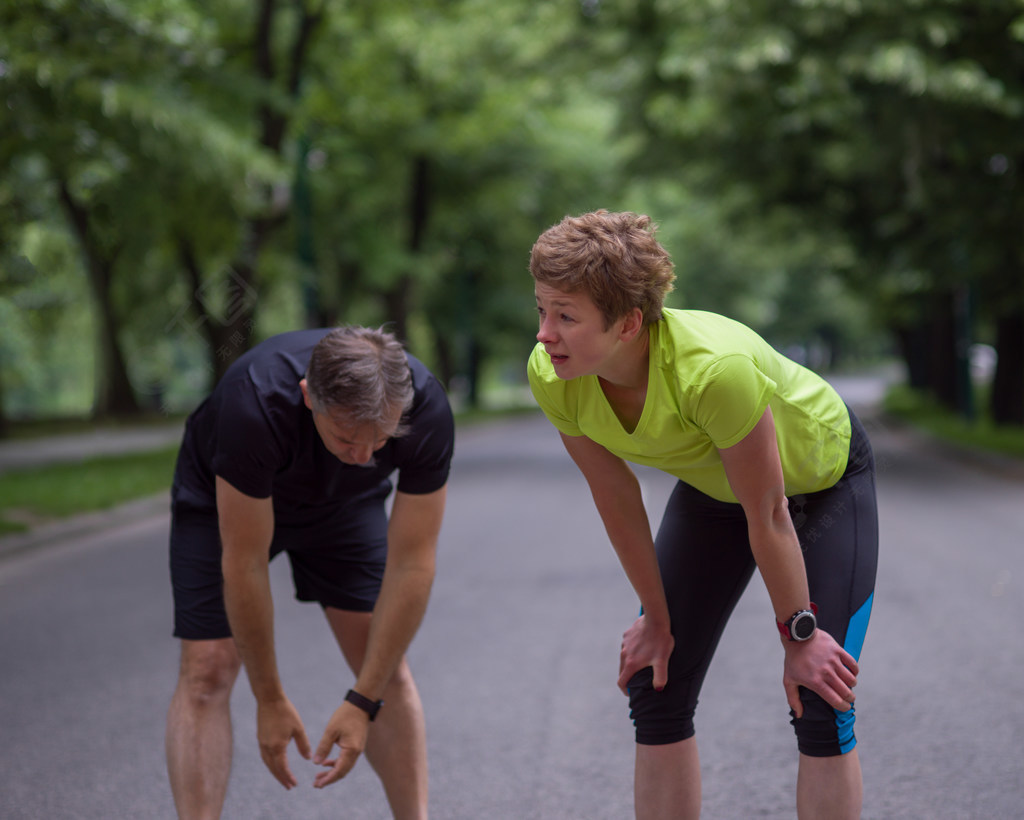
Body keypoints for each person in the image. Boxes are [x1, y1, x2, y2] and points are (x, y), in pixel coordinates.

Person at [527, 211, 878, 819]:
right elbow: (616, 497)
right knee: (655, 679)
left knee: (821, 696)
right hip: (718, 492)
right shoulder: (555, 377)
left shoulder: (712, 372)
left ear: (629, 323)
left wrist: (799, 637)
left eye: (566, 316)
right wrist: (656, 620)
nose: (543, 334)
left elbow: (769, 514)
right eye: (541, 310)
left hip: (820, 485)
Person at [164, 325, 454, 820]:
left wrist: (363, 700)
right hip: (231, 495)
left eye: (380, 439)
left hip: (345, 502)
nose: (366, 455)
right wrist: (269, 697)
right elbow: (245, 562)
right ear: (307, 397)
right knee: (208, 669)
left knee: (383, 670)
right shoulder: (254, 402)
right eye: (346, 436)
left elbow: (413, 562)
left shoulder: (424, 409)